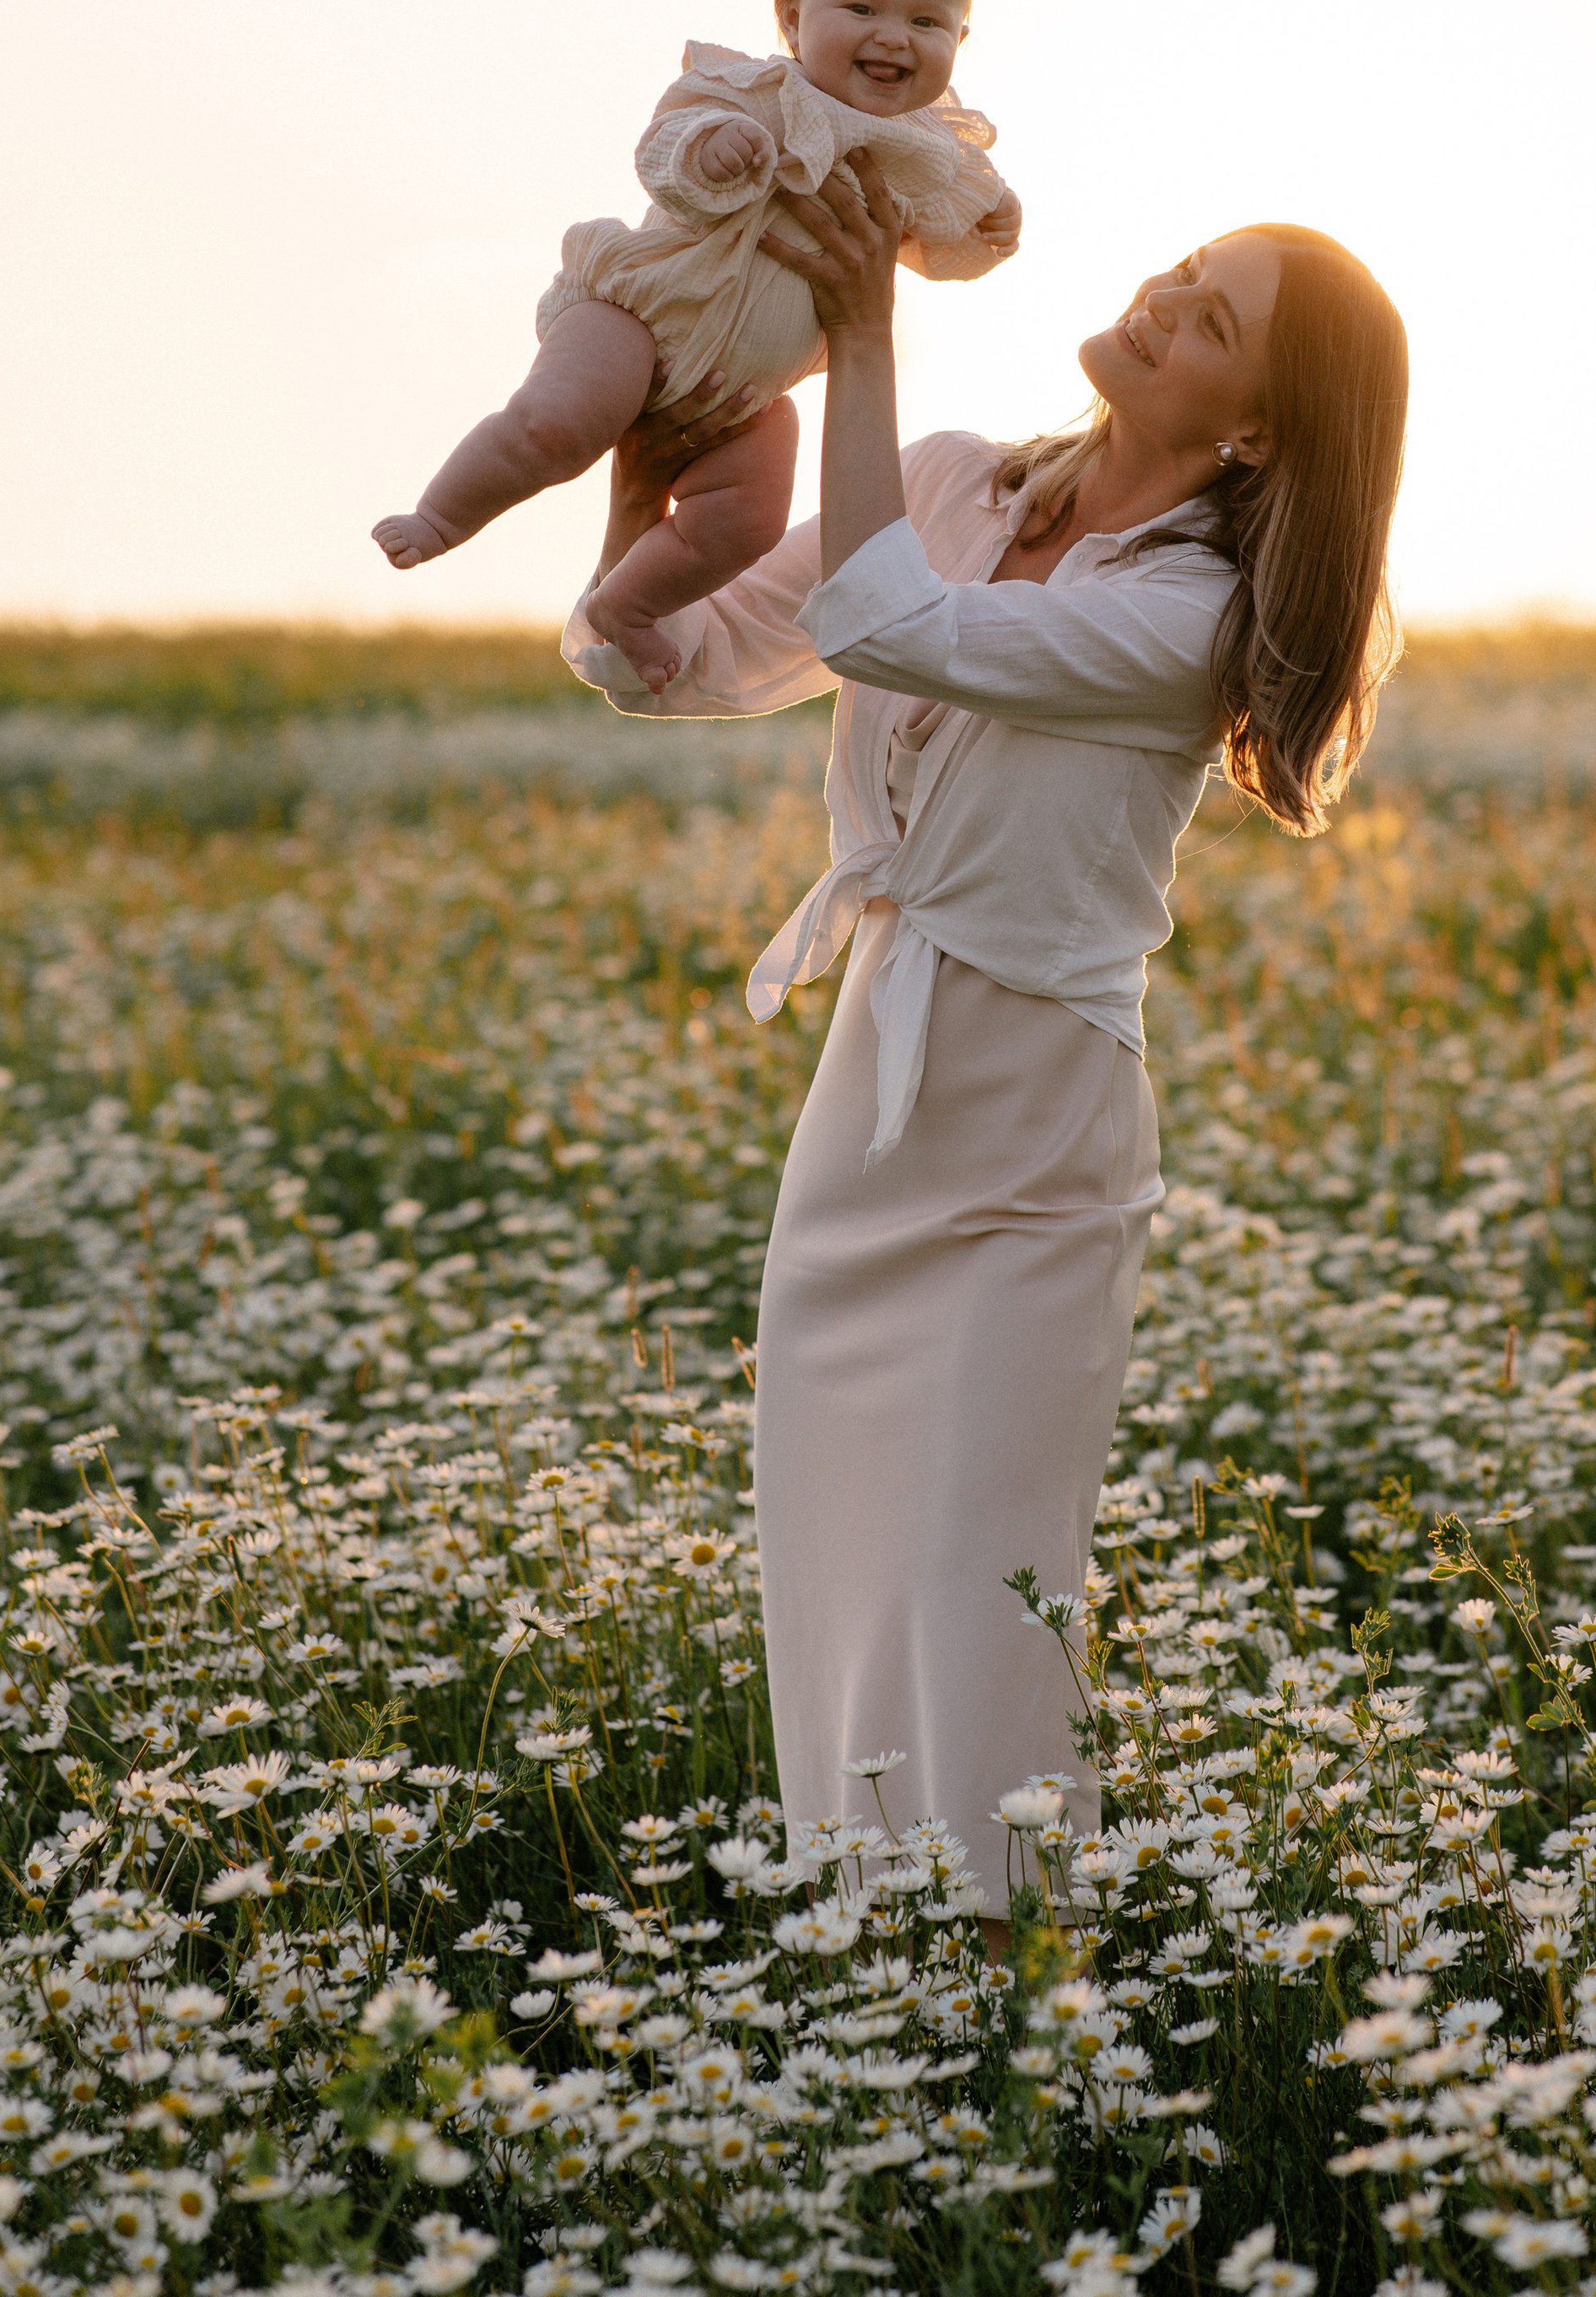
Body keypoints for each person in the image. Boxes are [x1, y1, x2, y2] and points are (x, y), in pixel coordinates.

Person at [565, 159, 1409, 1938]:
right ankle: (872, 1970)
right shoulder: (944, 481)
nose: (1165, 298)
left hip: (1033, 1135)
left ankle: (1013, 1985)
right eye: (1184, 265)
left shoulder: (1185, 615)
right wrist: (646, 542)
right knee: (833, 1568)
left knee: (977, 1590)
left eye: (1215, 318)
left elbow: (891, 625)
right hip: (866, 1102)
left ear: (1258, 431)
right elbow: (692, 658)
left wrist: (860, 333)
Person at [373, 0, 1025, 687]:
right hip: (640, 320)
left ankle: (629, 605)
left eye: (925, 21)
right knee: (555, 428)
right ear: (790, 15)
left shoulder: (925, 152)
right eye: (863, 10)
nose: (895, 37)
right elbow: (664, 145)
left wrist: (987, 229)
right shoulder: (751, 92)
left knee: (748, 522)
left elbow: (937, 246)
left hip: (747, 396)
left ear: (960, 41)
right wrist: (708, 148)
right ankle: (442, 514)